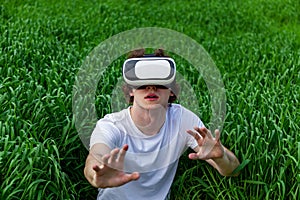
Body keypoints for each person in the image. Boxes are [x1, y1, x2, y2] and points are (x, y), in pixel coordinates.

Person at [84, 48, 240, 200]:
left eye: (159, 83)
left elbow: (233, 170)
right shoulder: (112, 125)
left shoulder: (182, 119)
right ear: (131, 90)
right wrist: (96, 175)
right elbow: (96, 154)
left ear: (171, 91)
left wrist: (221, 158)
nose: (151, 88)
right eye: (142, 84)